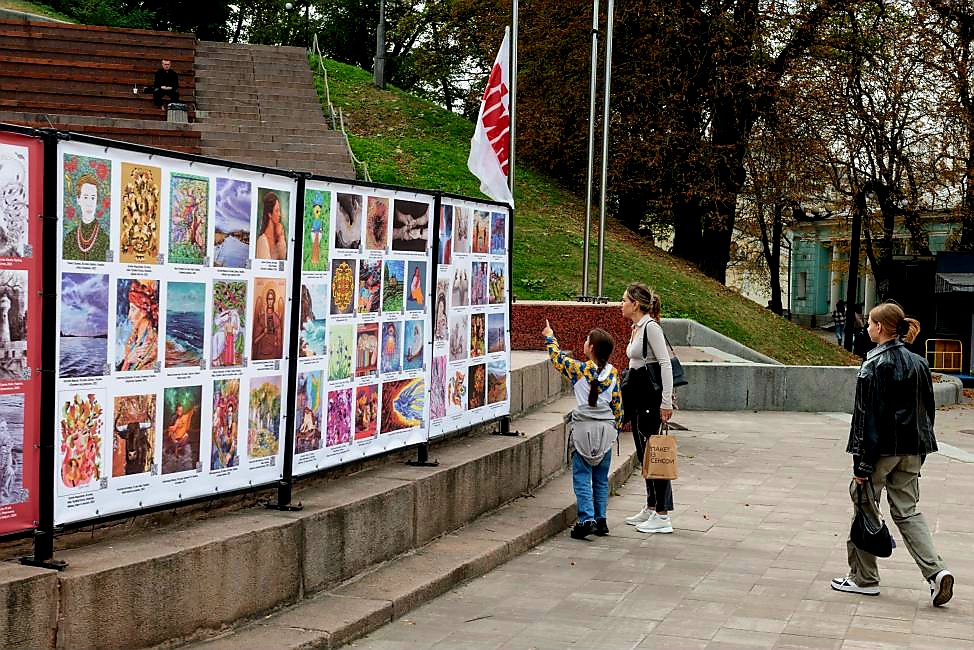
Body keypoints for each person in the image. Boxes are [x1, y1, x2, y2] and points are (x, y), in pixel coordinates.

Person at [831, 302, 954, 607]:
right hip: (912, 449)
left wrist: (861, 463)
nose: (867, 327)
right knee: (908, 511)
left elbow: (867, 418)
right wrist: (921, 451)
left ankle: (864, 579)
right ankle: (937, 572)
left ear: (882, 328)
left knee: (864, 506)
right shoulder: (919, 363)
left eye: (871, 323)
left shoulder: (873, 365)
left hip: (880, 451)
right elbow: (928, 412)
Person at [543, 320, 623, 539]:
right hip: (606, 432)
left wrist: (550, 336)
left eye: (587, 340)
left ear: (591, 349)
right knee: (600, 477)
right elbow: (618, 406)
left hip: (583, 432)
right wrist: (615, 428)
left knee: (581, 475)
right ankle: (601, 519)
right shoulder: (614, 374)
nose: (585, 342)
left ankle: (586, 519)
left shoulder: (579, 370)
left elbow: (557, 359)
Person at [622, 282, 676, 534]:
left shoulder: (650, 327)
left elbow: (665, 364)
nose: (620, 305)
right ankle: (652, 505)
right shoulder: (636, 327)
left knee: (654, 453)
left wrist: (666, 401)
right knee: (644, 453)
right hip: (637, 397)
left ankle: (663, 515)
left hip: (650, 399)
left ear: (636, 304)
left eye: (624, 300)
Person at [63, 173, 110, 261]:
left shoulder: (105, 239)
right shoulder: (69, 239)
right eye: (85, 197)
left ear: (97, 201)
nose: (89, 204)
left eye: (93, 198)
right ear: (78, 200)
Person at [255, 192, 287, 260]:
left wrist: (281, 237)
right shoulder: (262, 240)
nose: (279, 214)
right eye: (277, 211)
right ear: (269, 214)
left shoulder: (277, 235)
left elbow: (283, 259)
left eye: (279, 211)